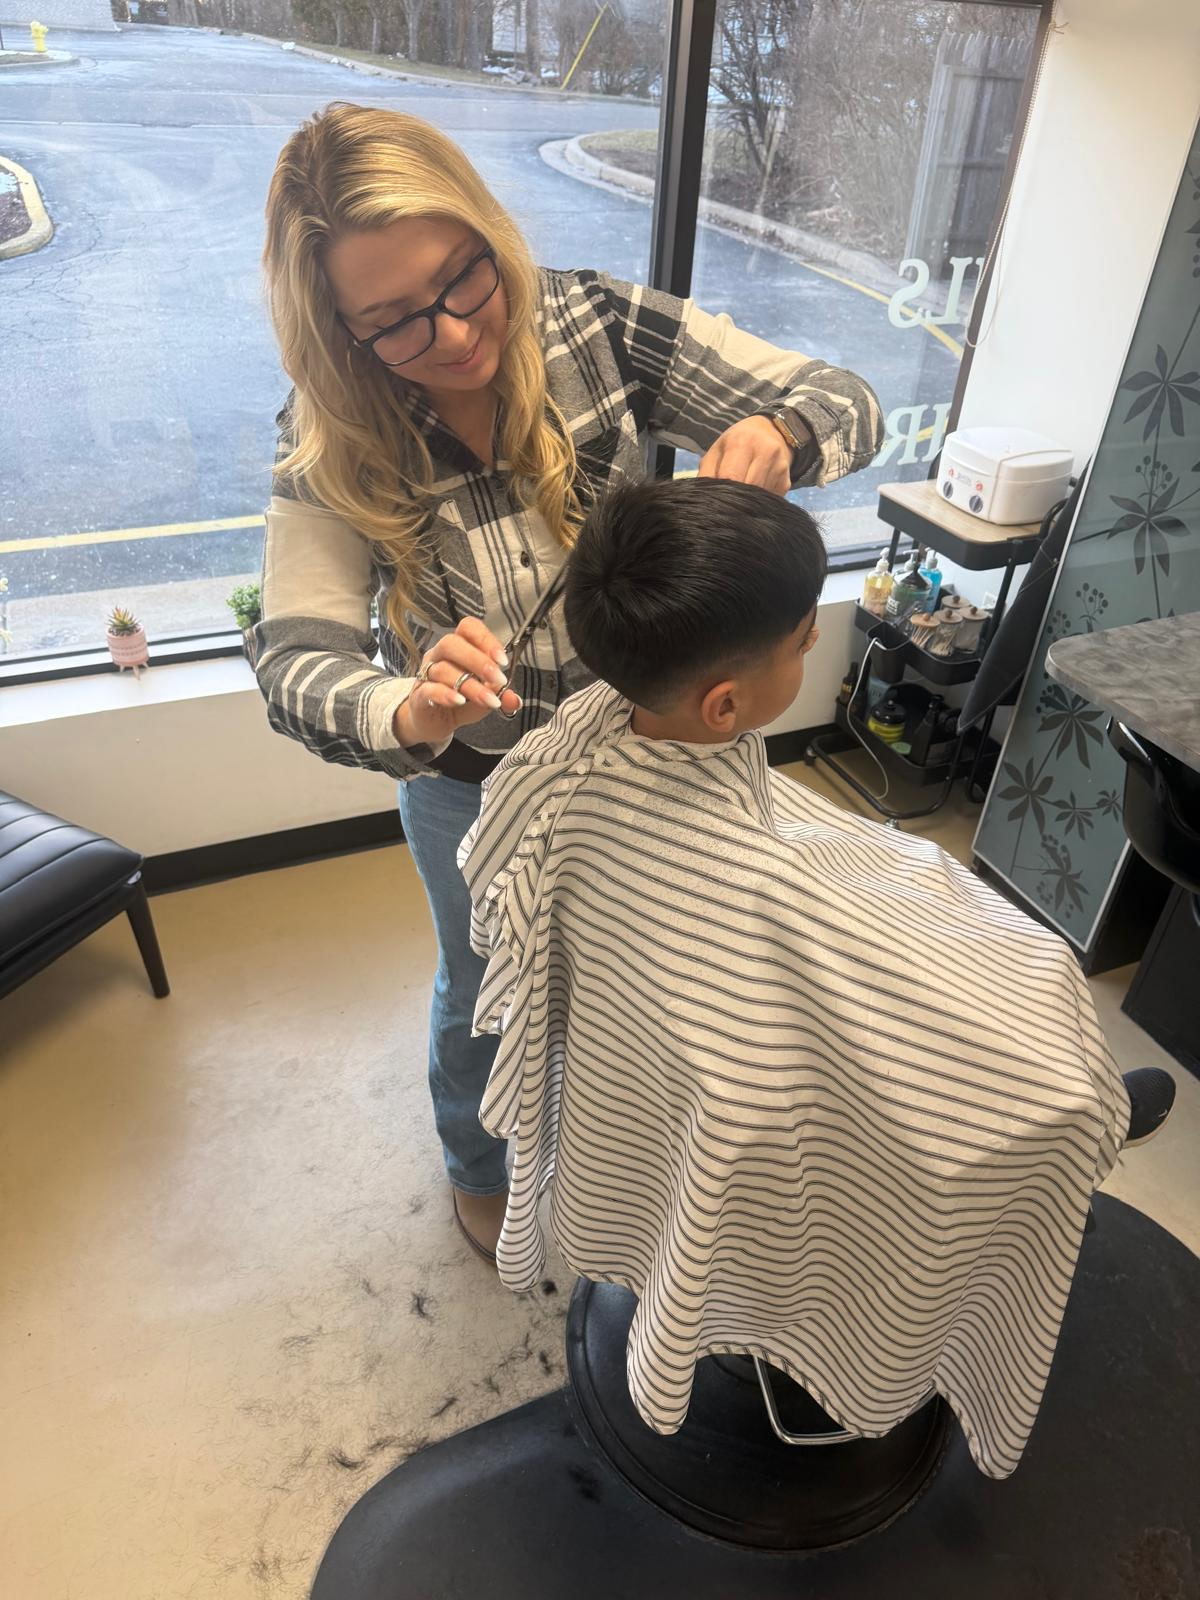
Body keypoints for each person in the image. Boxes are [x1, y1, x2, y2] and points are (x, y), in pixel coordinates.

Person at [257, 101, 884, 1259]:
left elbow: (850, 394)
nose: (453, 337)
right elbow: (294, 663)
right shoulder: (332, 435)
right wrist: (403, 704)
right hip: (477, 784)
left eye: (465, 280)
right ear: (342, 334)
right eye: (394, 322)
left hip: (663, 743)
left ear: (487, 231)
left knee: (669, 958)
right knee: (487, 990)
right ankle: (480, 1160)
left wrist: (785, 433)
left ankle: (632, 1142)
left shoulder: (594, 320)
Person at [458, 475, 1168, 1478]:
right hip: (771, 1028)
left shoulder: (569, 753)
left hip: (683, 1019)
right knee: (1044, 1029)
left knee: (926, 900)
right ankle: (1091, 1118)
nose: (810, 647)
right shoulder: (758, 893)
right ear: (726, 703)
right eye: (801, 640)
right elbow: (807, 982)